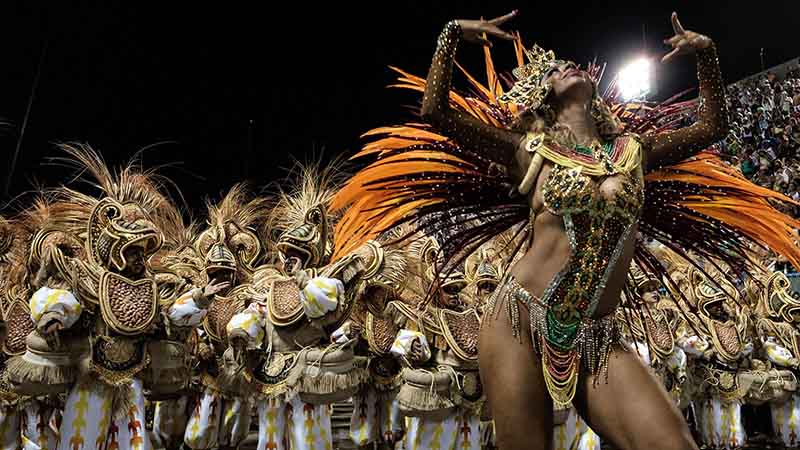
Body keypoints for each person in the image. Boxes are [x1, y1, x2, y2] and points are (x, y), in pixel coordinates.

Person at [330, 9, 800, 450]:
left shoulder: (634, 150)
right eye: (554, 71)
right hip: (517, 319)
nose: (566, 68)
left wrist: (707, 54)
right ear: (544, 98)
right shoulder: (528, 150)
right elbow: (436, 112)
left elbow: (712, 125)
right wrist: (451, 35)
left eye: (570, 65)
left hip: (596, 335)